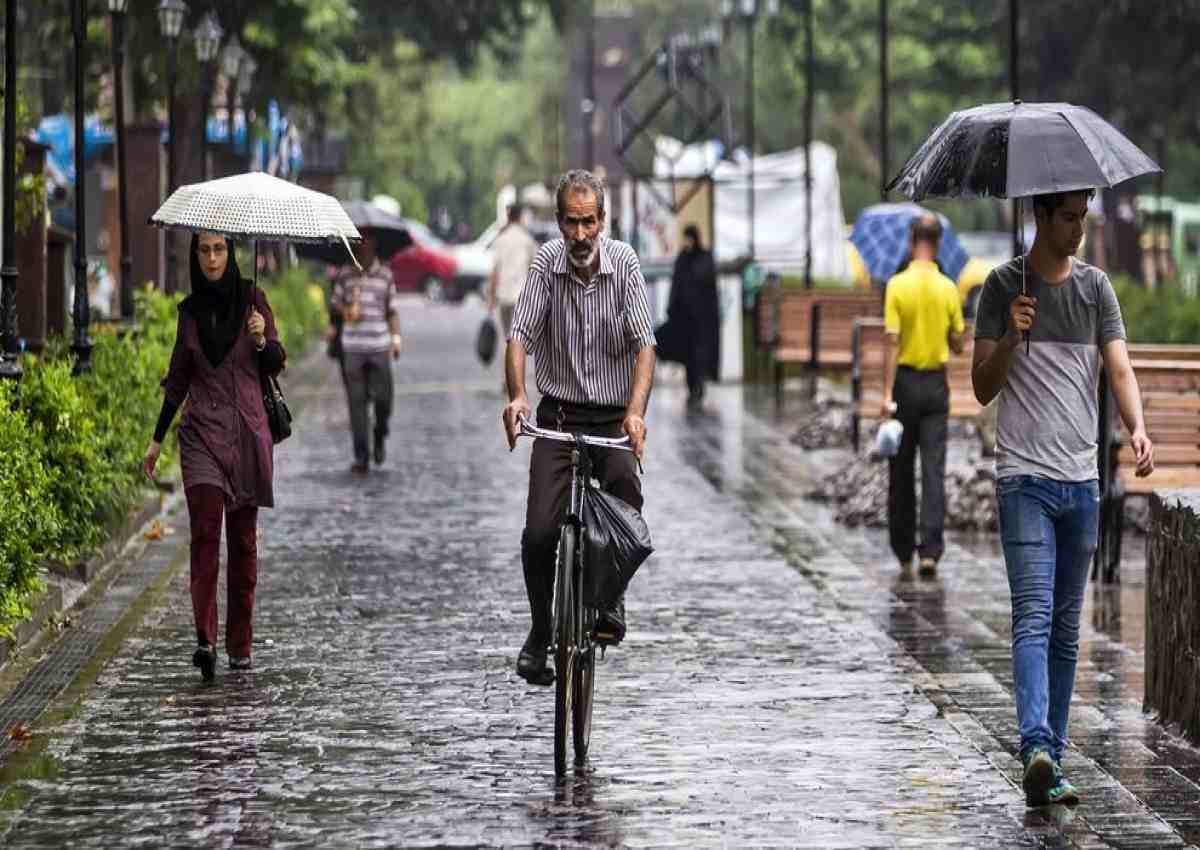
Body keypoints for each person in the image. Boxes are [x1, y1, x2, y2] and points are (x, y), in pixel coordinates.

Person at [972, 189, 1154, 808]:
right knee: (1034, 614)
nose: (1079, 229)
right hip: (1023, 478)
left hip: (1081, 482)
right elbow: (979, 387)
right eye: (1069, 217)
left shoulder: (1097, 289)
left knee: (1067, 631)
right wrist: (1009, 341)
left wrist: (1137, 426)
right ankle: (1034, 748)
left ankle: (1054, 756)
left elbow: (1120, 369)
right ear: (1041, 217)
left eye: (1084, 217)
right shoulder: (1002, 288)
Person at [501, 169, 657, 686]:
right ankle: (541, 630)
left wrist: (636, 413)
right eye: (572, 222)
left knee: (625, 498)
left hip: (613, 417)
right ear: (559, 222)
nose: (582, 234)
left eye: (590, 222)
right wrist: (518, 395)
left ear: (603, 220)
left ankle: (611, 600)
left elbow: (644, 346)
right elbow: (519, 335)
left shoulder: (626, 264)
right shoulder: (546, 263)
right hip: (560, 417)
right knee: (540, 531)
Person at [142, 232, 286, 680]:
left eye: (219, 249)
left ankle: (239, 645)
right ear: (195, 255)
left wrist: (262, 340)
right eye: (203, 250)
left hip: (246, 437)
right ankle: (205, 639)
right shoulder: (189, 314)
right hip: (201, 434)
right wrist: (156, 439)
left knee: (243, 545)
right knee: (205, 535)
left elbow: (277, 361)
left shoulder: (253, 300)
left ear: (231, 253)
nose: (211, 258)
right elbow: (179, 377)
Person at [881, 213, 966, 578]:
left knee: (901, 470)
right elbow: (959, 343)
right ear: (939, 242)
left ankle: (903, 549)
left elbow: (891, 343)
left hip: (904, 383)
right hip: (935, 386)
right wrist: (950, 335)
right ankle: (930, 550)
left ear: (911, 239)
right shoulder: (948, 288)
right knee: (933, 469)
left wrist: (886, 394)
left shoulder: (896, 286)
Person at [329, 231, 403, 473]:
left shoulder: (385, 275)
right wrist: (347, 309)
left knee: (384, 400)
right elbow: (335, 304)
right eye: (359, 241)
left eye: (367, 241)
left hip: (379, 345)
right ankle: (361, 455)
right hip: (353, 347)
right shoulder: (345, 274)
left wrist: (396, 338)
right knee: (356, 403)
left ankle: (380, 433)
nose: (363, 245)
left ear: (375, 245)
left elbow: (392, 311)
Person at [668, 224, 720, 409]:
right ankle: (692, 388)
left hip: (702, 319)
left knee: (700, 355)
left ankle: (699, 386)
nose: (687, 242)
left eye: (689, 238)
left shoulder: (704, 258)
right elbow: (676, 284)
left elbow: (706, 284)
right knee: (688, 356)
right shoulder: (683, 258)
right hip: (685, 319)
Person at [486, 203, 538, 338]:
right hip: (521, 297)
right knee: (519, 337)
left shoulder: (501, 239)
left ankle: (509, 358)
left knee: (507, 336)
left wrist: (491, 298)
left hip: (503, 295)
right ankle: (516, 358)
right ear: (521, 217)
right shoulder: (527, 240)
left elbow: (494, 271)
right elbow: (537, 271)